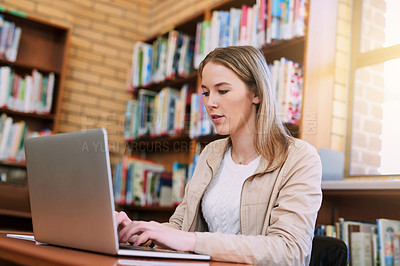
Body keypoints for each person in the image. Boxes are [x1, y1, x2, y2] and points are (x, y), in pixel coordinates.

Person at [116, 46, 322, 265]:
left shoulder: (299, 158)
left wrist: (192, 241)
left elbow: (290, 251)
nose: (210, 103)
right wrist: (138, 233)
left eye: (222, 91)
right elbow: (180, 227)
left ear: (256, 93)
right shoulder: (211, 153)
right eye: (206, 92)